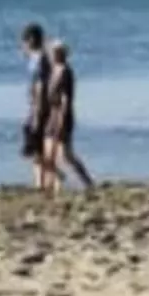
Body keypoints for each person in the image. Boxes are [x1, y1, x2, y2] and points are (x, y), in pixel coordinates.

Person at [43, 40, 95, 192]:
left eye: (54, 52)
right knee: (47, 155)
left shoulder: (66, 72)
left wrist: (61, 121)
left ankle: (87, 182)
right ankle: (57, 180)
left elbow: (66, 100)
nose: (51, 55)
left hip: (62, 116)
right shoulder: (54, 70)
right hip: (52, 115)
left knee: (66, 155)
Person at [19, 23, 53, 190]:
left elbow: (41, 86)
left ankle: (47, 179)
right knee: (34, 144)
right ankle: (40, 181)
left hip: (40, 106)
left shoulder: (41, 59)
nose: (23, 45)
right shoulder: (35, 58)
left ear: (31, 40)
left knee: (37, 144)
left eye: (25, 41)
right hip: (34, 105)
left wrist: (37, 112)